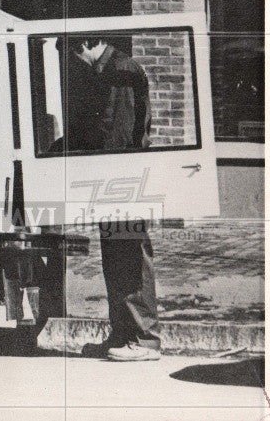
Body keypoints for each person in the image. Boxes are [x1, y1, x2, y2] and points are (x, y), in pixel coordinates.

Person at [73, 37, 161, 362]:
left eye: (74, 52)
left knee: (131, 257)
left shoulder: (120, 71)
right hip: (114, 179)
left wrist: (107, 180)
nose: (76, 60)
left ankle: (145, 340)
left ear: (86, 44)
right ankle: (122, 334)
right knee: (115, 257)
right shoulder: (107, 70)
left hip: (123, 179)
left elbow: (120, 133)